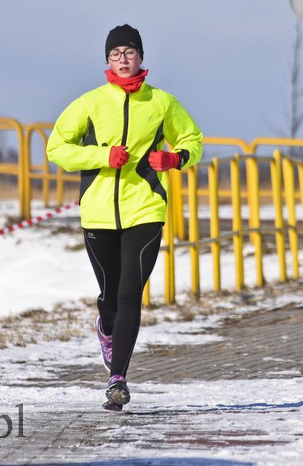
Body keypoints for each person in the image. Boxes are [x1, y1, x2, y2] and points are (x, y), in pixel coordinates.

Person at [46, 24, 203, 411]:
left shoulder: (162, 102)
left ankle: (118, 379)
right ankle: (106, 329)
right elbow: (57, 148)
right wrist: (101, 156)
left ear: (141, 58)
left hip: (145, 209)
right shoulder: (90, 103)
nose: (123, 59)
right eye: (116, 53)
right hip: (98, 213)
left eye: (129, 52)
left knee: (132, 292)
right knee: (110, 297)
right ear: (107, 60)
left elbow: (193, 140)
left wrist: (175, 159)